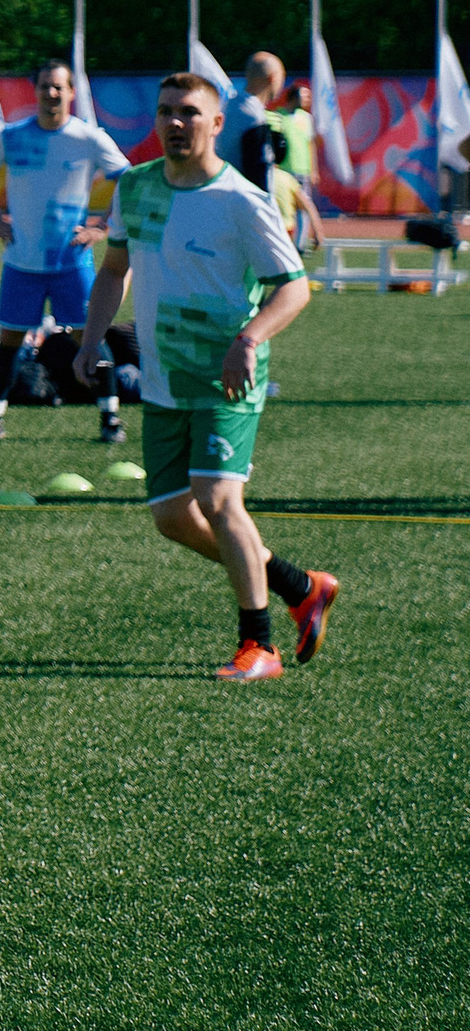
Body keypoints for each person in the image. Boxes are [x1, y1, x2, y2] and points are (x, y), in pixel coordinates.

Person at [77, 73, 339, 683]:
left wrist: (249, 339)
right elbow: (115, 269)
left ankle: (260, 646)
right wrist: (91, 338)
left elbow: (294, 288)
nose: (175, 123)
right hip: (164, 377)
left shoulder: (243, 201)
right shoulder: (135, 187)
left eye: (190, 113)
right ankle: (301, 587)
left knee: (220, 500)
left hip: (227, 376)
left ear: (217, 124)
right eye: (166, 111)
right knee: (172, 517)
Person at [0, 60, 134, 444]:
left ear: (71, 93)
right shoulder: (11, 136)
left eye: (59, 87)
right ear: (36, 90)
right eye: (45, 86)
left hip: (70, 263)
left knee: (87, 338)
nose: (51, 93)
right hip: (21, 262)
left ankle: (110, 418)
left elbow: (127, 178)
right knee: (9, 340)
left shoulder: (89, 138)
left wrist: (100, 227)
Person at [268, 83, 326, 252]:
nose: (308, 99)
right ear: (294, 97)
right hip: (284, 170)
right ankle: (282, 243)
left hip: (302, 170)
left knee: (304, 208)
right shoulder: (278, 115)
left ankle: (299, 246)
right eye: (304, 95)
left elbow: (310, 145)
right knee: (284, 208)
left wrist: (313, 169)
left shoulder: (306, 118)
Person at [220, 51, 288, 191]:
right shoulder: (252, 115)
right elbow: (258, 171)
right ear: (272, 78)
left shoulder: (229, 105)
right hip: (244, 201)